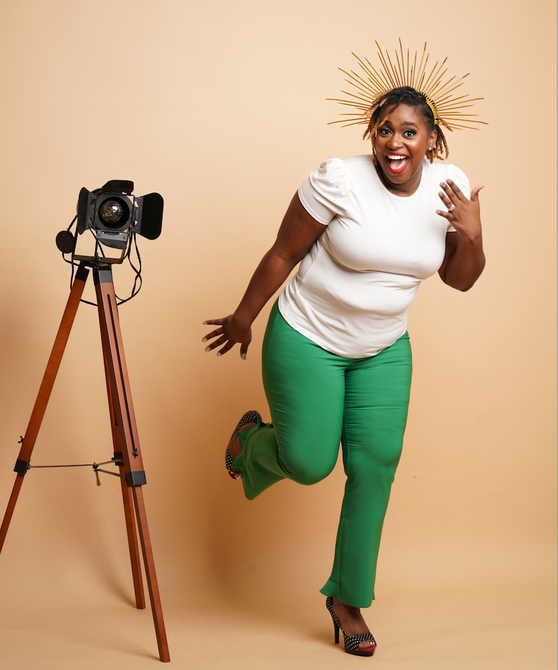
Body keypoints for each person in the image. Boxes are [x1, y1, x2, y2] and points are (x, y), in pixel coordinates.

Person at [202, 43, 486, 657]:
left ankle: (347, 599)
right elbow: (284, 251)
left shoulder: (453, 188)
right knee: (308, 463)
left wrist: (473, 235)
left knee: (374, 467)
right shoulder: (337, 178)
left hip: (384, 348)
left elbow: (461, 279)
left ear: (432, 140)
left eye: (409, 131)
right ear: (372, 134)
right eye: (384, 129)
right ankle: (253, 442)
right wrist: (245, 317)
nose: (394, 141)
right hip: (309, 335)